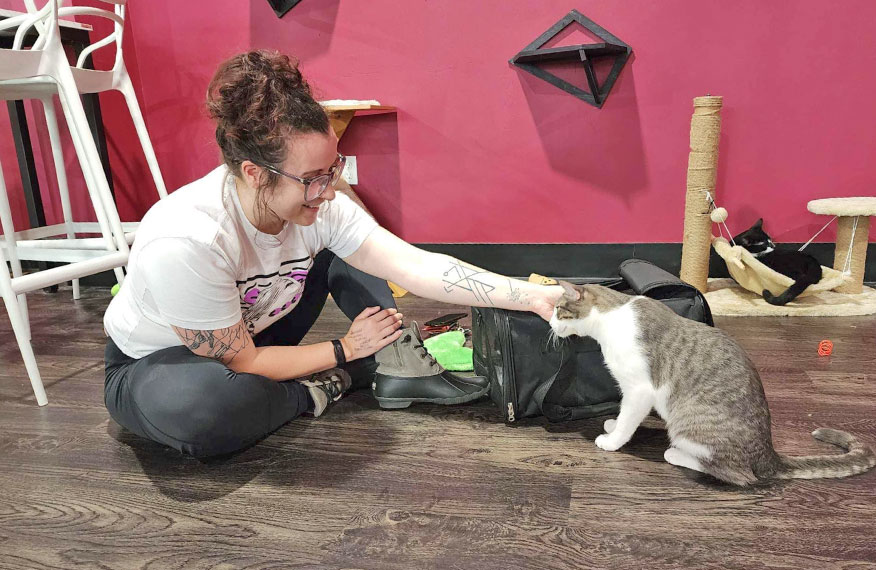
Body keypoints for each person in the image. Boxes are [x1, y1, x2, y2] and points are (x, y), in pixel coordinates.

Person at [102, 50, 563, 458]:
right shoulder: (188, 239)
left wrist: (527, 296)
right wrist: (344, 350)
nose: (330, 190)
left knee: (348, 250)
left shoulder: (319, 204)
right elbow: (240, 362)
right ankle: (322, 387)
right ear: (255, 173)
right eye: (314, 178)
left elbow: (413, 265)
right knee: (202, 410)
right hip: (163, 364)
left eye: (334, 168)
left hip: (259, 334)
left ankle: (392, 359)